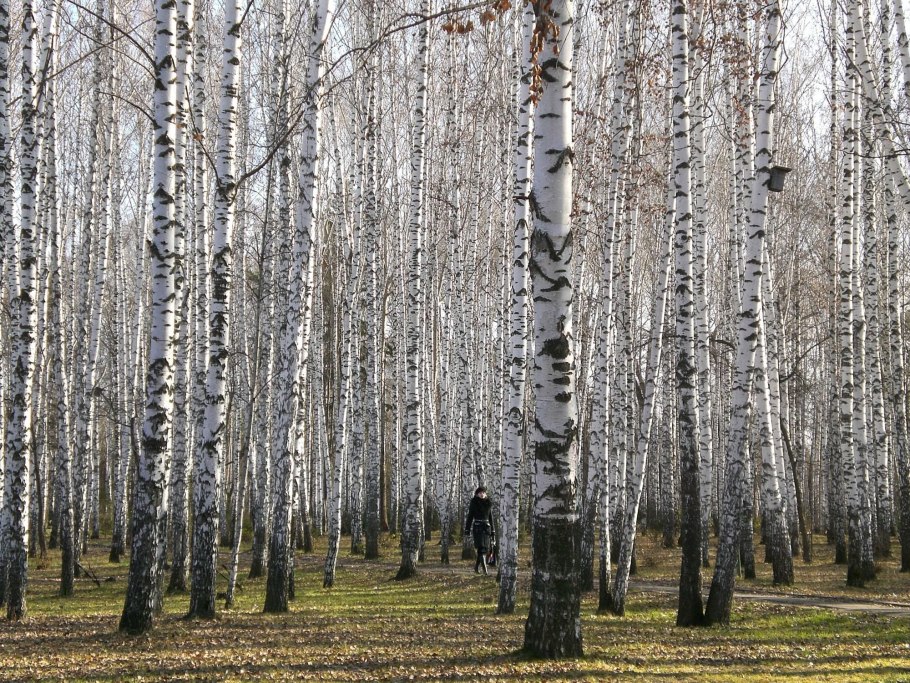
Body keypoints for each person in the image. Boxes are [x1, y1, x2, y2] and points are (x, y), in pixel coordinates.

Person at [464, 486, 495, 574]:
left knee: (484, 549)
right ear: (477, 494)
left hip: (487, 528)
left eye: (483, 493)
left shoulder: (488, 503)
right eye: (480, 493)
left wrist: (493, 531)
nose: (482, 494)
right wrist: (467, 529)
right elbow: (470, 516)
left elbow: (490, 518)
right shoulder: (474, 502)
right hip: (478, 528)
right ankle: (485, 571)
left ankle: (476, 568)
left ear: (485, 494)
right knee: (481, 548)